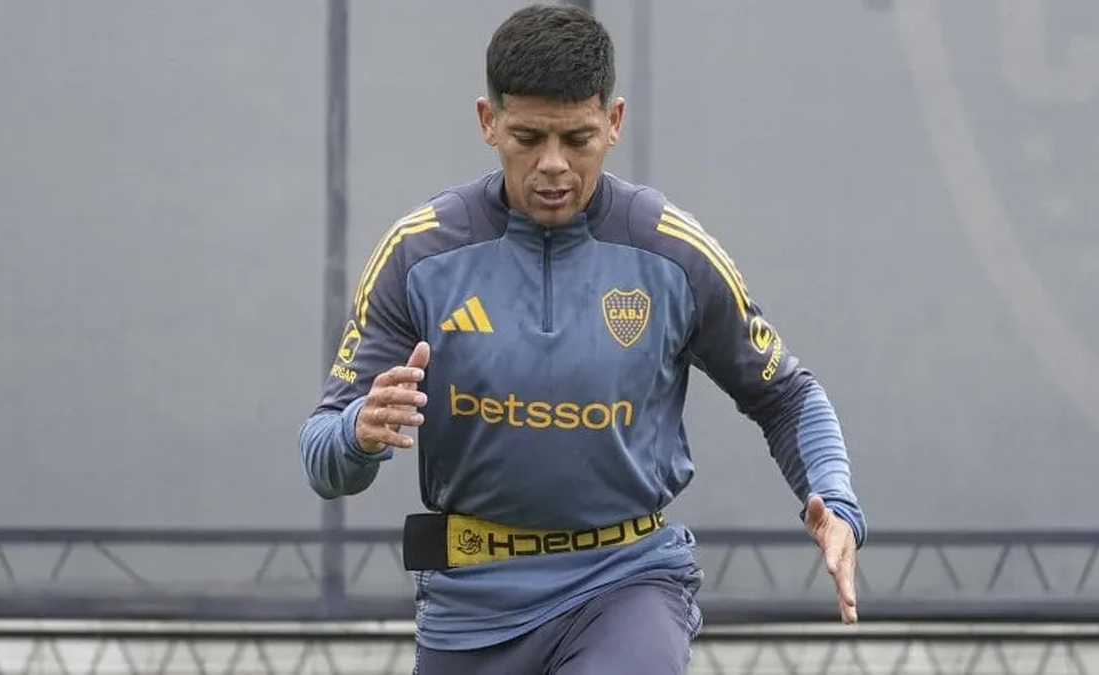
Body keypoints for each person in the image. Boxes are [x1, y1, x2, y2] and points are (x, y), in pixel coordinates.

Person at [299, 4, 867, 674]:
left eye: (577, 139)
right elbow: (323, 457)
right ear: (488, 122)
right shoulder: (418, 254)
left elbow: (786, 396)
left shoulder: (672, 252)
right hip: (468, 608)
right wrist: (359, 434)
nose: (553, 165)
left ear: (614, 122)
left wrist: (837, 504)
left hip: (625, 584)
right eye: (528, 136)